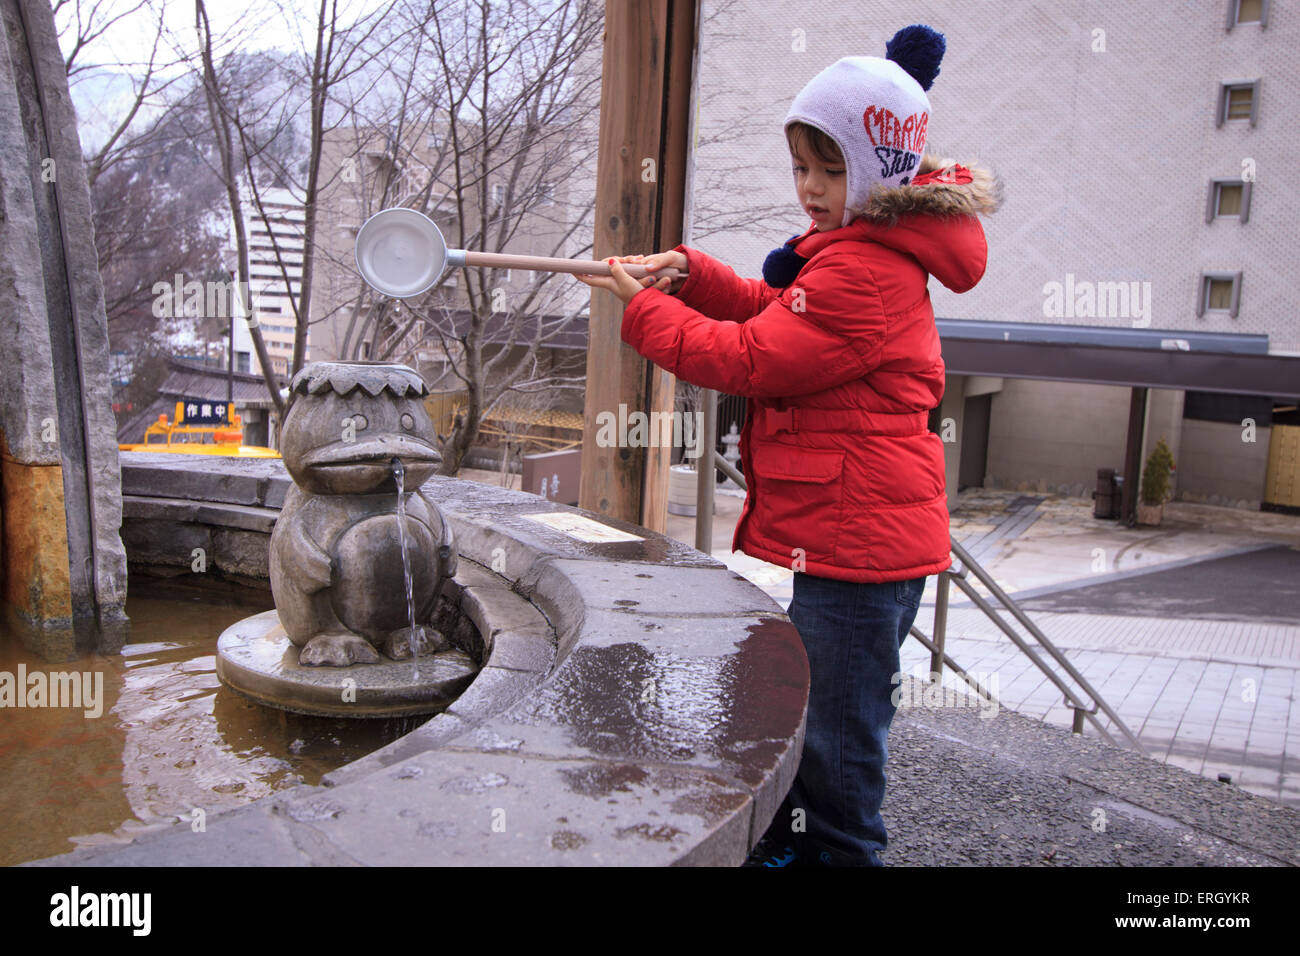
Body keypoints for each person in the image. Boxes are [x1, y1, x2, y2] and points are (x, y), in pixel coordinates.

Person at [576, 24, 1000, 866]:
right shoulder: (855, 252)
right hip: (849, 542)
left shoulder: (865, 273)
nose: (809, 188)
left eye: (831, 169)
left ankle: (838, 855)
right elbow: (775, 311)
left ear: (880, 170)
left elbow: (753, 359)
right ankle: (792, 848)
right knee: (812, 722)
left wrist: (646, 314)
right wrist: (689, 276)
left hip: (859, 552)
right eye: (802, 167)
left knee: (838, 750)